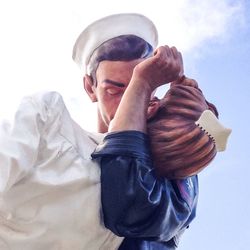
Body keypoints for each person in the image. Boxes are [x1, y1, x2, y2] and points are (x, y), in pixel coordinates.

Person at [0, 13, 200, 250]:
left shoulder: (168, 160)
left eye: (142, 87)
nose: (130, 99)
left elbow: (134, 209)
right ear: (90, 87)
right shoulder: (48, 124)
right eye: (116, 90)